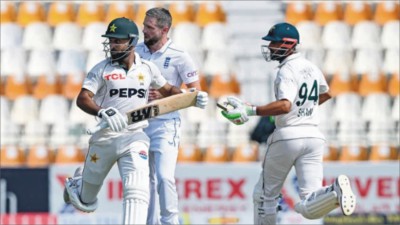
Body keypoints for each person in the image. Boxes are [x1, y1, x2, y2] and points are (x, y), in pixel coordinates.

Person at [63, 17, 208, 225]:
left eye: (117, 41)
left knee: (137, 191)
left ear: (131, 42)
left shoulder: (147, 69)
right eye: (110, 41)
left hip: (135, 136)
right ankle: (79, 185)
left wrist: (190, 96)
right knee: (86, 201)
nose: (112, 45)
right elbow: (82, 98)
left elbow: (167, 90)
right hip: (105, 137)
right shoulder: (102, 69)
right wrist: (103, 112)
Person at [220, 22, 356, 224]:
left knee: (265, 196)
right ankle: (334, 192)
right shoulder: (311, 66)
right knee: (309, 205)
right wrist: (304, 110)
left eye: (273, 43)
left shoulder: (285, 70)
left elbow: (284, 106)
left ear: (287, 44)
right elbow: (326, 93)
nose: (270, 48)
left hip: (288, 136)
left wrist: (252, 110)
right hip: (313, 136)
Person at [135, 7, 204, 225]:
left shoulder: (180, 56)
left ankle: (170, 222)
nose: (144, 30)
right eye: (144, 25)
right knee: (146, 181)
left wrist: (166, 94)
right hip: (139, 124)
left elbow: (196, 94)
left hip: (165, 124)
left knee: (165, 177)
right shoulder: (135, 51)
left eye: (149, 27)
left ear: (165, 29)